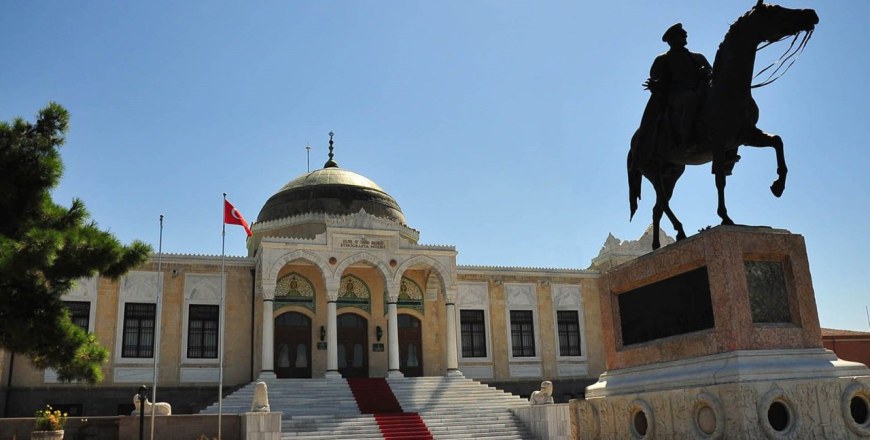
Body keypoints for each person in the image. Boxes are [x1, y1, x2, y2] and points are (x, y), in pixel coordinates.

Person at [636, 23, 712, 164]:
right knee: (689, 100)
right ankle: (686, 141)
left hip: (700, 91)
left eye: (684, 33)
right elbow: (656, 78)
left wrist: (705, 74)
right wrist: (657, 84)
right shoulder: (663, 59)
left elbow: (712, 73)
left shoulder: (697, 57)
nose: (686, 35)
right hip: (677, 95)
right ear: (673, 39)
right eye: (682, 34)